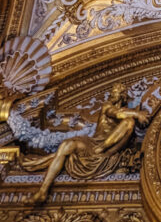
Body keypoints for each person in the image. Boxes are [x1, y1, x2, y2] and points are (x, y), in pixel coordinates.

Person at [20, 85, 149, 203]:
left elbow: (126, 120)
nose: (111, 95)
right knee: (67, 145)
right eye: (111, 93)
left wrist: (135, 113)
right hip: (93, 143)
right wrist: (137, 113)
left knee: (129, 122)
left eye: (114, 93)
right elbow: (116, 113)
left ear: (122, 96)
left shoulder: (128, 114)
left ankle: (103, 149)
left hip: (108, 148)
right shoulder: (107, 106)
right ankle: (43, 191)